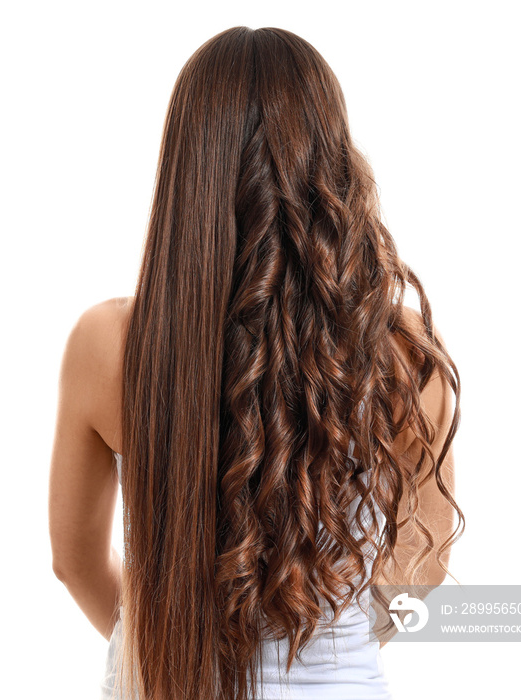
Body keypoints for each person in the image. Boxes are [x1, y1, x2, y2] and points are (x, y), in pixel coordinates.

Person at [49, 26, 464, 700]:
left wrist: (155, 638)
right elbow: (420, 567)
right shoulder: (401, 350)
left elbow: (74, 562)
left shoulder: (108, 342)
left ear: (186, 165)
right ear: (331, 160)